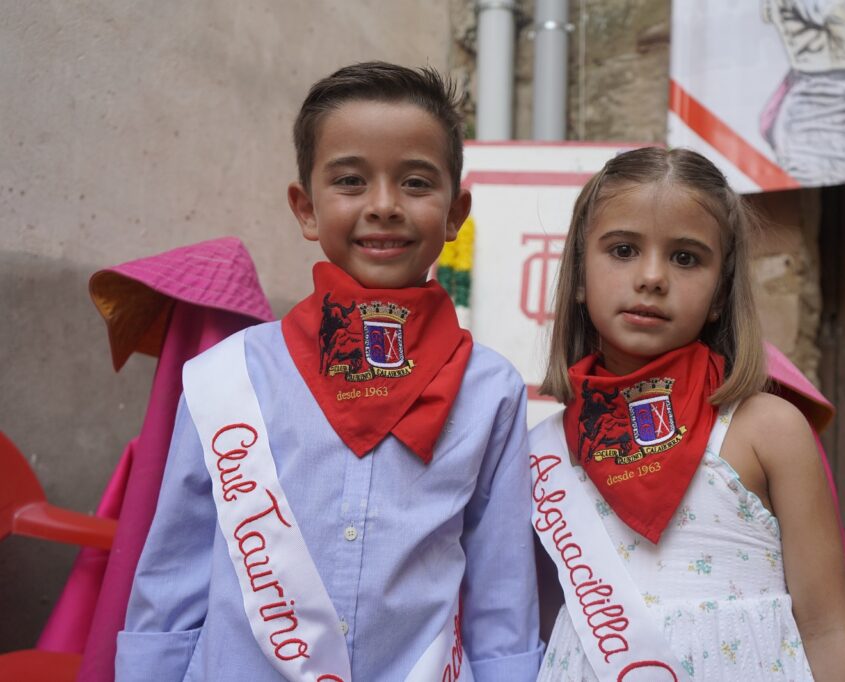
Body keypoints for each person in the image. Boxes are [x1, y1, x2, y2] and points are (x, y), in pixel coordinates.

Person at [114, 62, 542, 681]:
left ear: (456, 213)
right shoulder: (227, 377)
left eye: (416, 183)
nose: (384, 206)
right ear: (306, 208)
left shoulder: (490, 389)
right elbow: (172, 573)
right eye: (350, 181)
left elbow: (502, 590)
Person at [529, 147, 845, 680]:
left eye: (686, 258)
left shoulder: (770, 431)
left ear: (719, 294)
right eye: (623, 250)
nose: (652, 277)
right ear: (577, 276)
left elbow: (827, 630)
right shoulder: (545, 452)